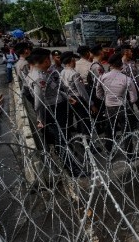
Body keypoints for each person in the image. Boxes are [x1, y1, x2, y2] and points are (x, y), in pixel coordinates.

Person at [29, 48, 85, 177]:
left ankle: (72, 162)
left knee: (64, 137)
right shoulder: (38, 77)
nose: (50, 61)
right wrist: (40, 118)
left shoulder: (44, 73)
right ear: (44, 61)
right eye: (48, 59)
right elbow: (38, 102)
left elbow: (56, 89)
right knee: (61, 141)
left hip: (58, 107)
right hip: (52, 111)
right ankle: (73, 170)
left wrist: (66, 97)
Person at [96, 53, 138, 157]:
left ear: (110, 65)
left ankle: (109, 152)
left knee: (110, 131)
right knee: (126, 131)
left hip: (109, 107)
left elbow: (98, 94)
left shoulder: (103, 77)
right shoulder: (127, 79)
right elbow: (134, 98)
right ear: (121, 65)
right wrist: (127, 102)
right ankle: (129, 155)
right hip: (122, 107)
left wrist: (107, 99)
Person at [60, 51, 97, 136]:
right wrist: (91, 104)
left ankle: (82, 137)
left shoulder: (62, 72)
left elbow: (62, 88)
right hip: (79, 98)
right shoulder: (74, 74)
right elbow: (82, 92)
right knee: (86, 121)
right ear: (72, 60)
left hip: (70, 98)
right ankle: (88, 144)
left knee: (80, 119)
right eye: (74, 59)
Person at [88, 45, 107, 133]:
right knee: (100, 110)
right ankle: (100, 128)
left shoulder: (97, 65)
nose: (104, 52)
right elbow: (102, 80)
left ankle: (102, 125)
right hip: (98, 92)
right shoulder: (97, 67)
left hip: (97, 91)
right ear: (100, 52)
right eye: (103, 51)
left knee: (101, 110)